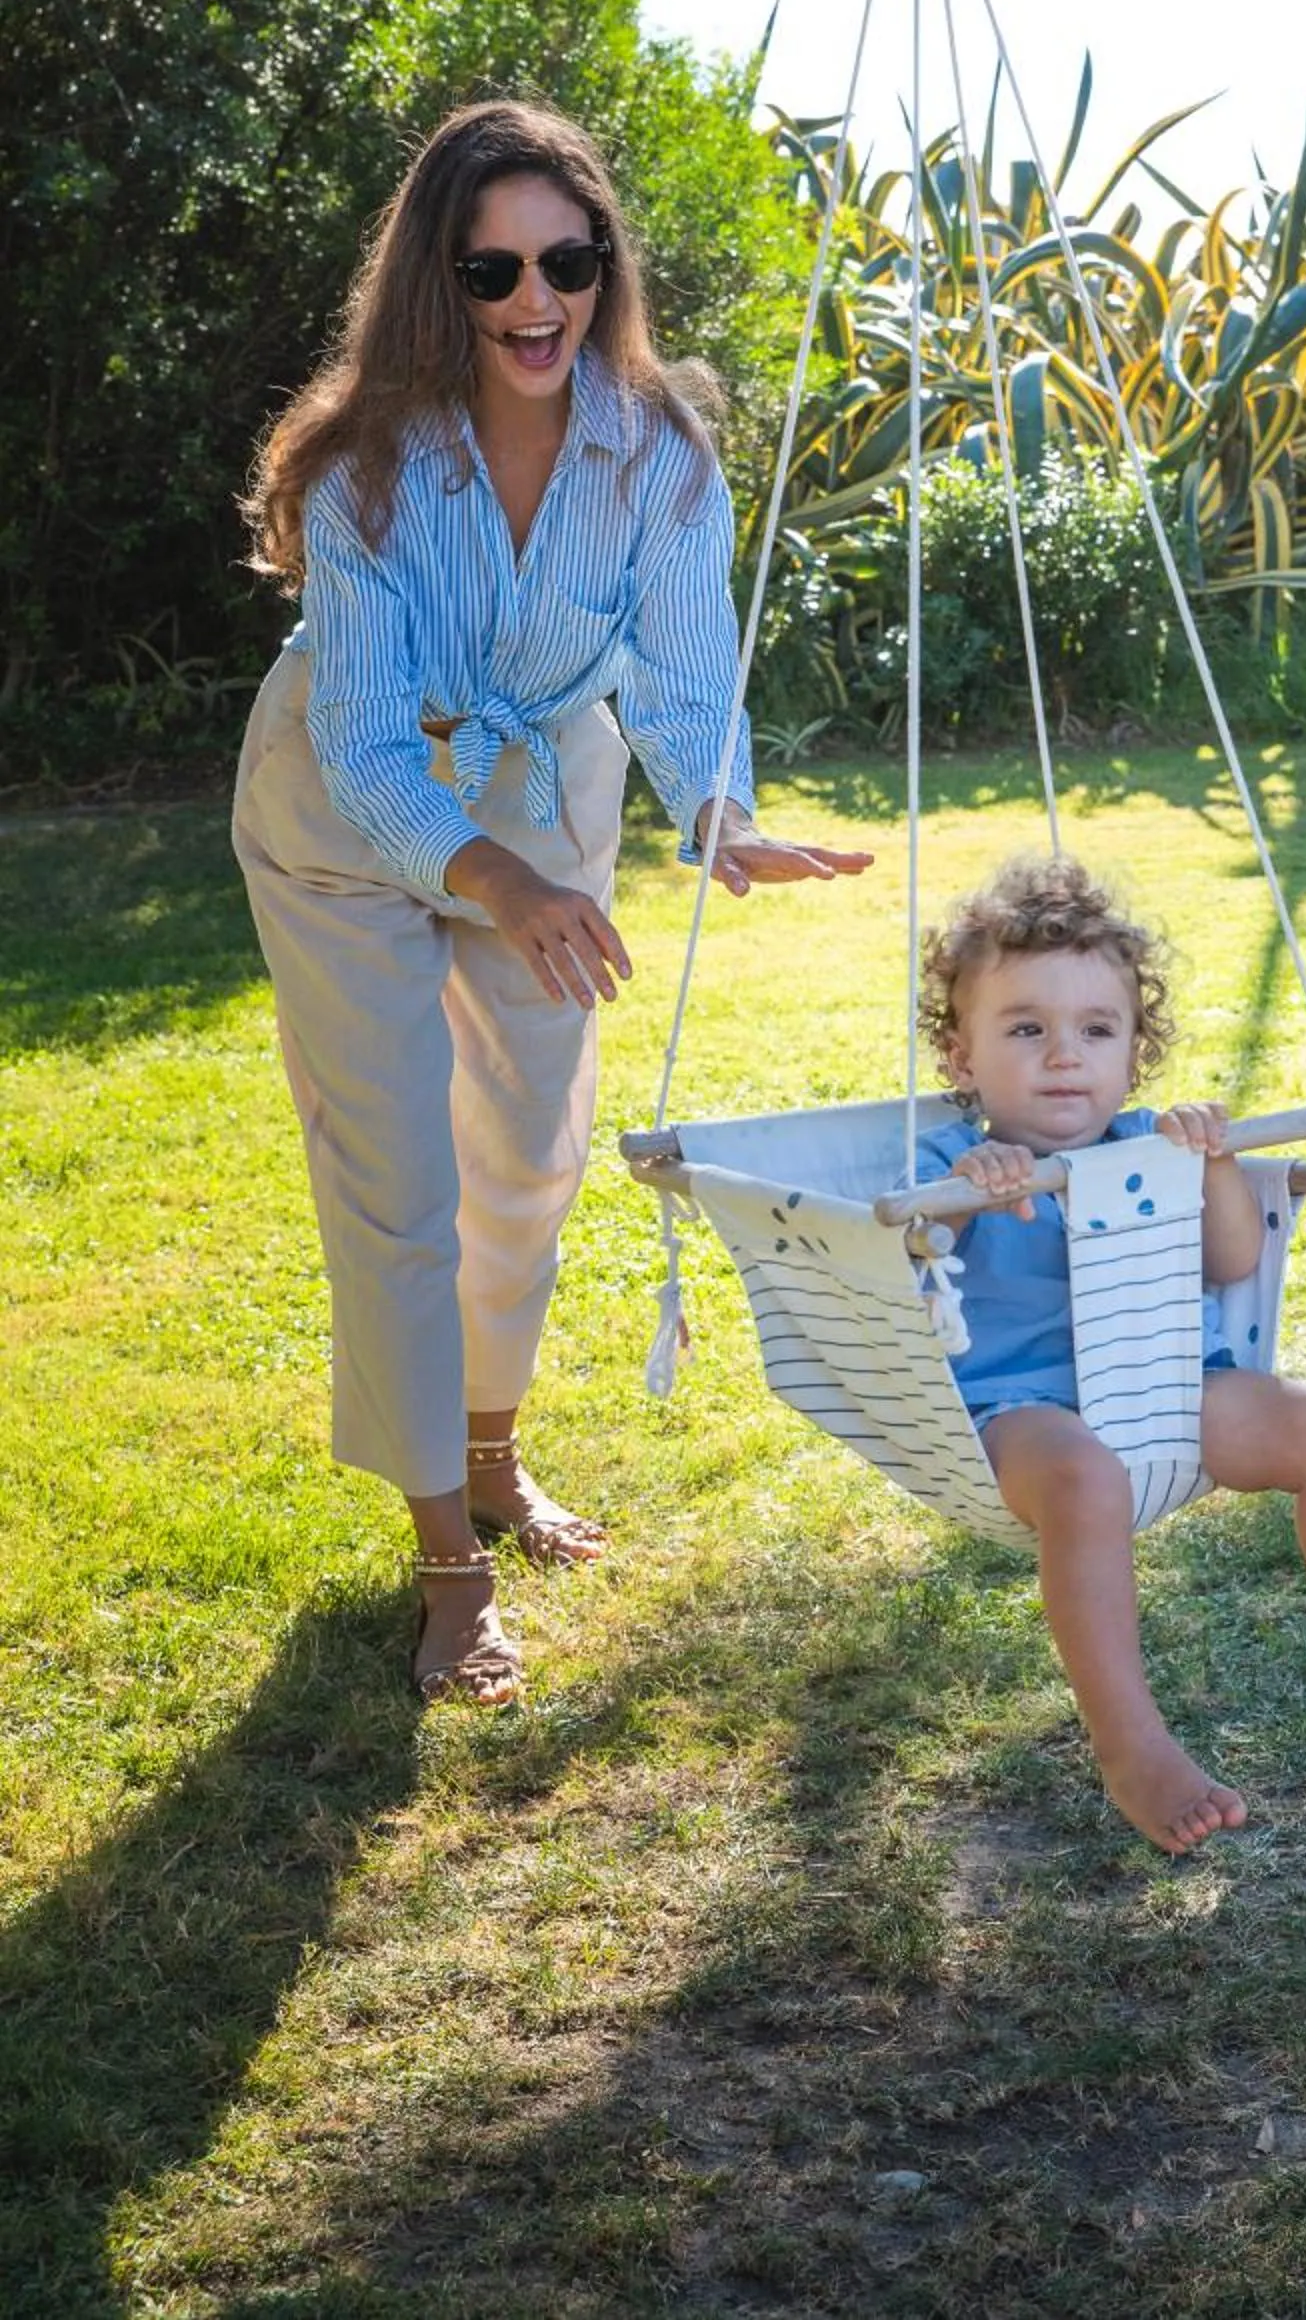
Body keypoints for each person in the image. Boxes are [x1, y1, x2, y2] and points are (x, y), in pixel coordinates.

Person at [234, 98, 870, 1706]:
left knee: (527, 1158)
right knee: (396, 1181)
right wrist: (500, 880)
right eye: (494, 268)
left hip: (539, 793)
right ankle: (451, 1565)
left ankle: (496, 1457)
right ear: (436, 281)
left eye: (567, 261)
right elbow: (373, 748)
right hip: (341, 819)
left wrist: (718, 813)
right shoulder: (366, 472)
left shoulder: (657, 449)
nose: (536, 302)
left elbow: (679, 667)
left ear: (606, 266)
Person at [916, 852, 1306, 1854]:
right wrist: (969, 1198)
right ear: (960, 1057)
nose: (1062, 1056)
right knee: (1082, 1480)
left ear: (1133, 1052)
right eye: (1024, 1030)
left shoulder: (1146, 1146)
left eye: (1095, 1031)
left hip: (1168, 1388)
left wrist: (1206, 1163)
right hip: (1020, 1413)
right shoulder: (947, 1165)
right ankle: (1133, 1747)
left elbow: (1228, 1259)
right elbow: (901, 1277)